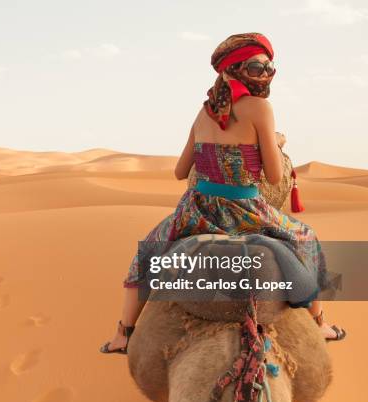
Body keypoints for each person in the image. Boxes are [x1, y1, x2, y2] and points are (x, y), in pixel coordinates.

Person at [100, 32, 346, 355]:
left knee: (146, 254)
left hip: (197, 210)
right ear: (236, 69)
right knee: (306, 237)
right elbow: (273, 175)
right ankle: (320, 323)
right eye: (258, 66)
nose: (267, 73)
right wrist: (274, 143)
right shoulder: (260, 108)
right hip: (245, 208)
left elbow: (178, 171)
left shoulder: (203, 114)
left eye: (270, 66)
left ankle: (123, 334)